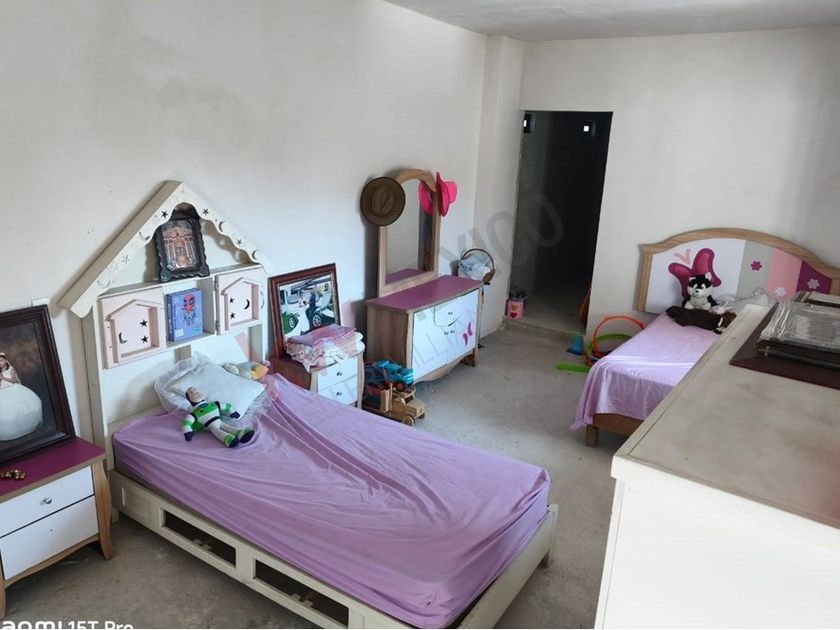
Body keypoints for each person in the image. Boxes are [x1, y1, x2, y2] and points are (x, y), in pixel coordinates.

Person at [0, 352, 43, 441]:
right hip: (3, 389)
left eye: (1, 360)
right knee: (6, 411)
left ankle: (25, 426)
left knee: (20, 407)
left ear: (5, 361)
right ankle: (10, 430)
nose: (0, 363)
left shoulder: (10, 369)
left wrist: (4, 378)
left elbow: (14, 380)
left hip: (12, 388)